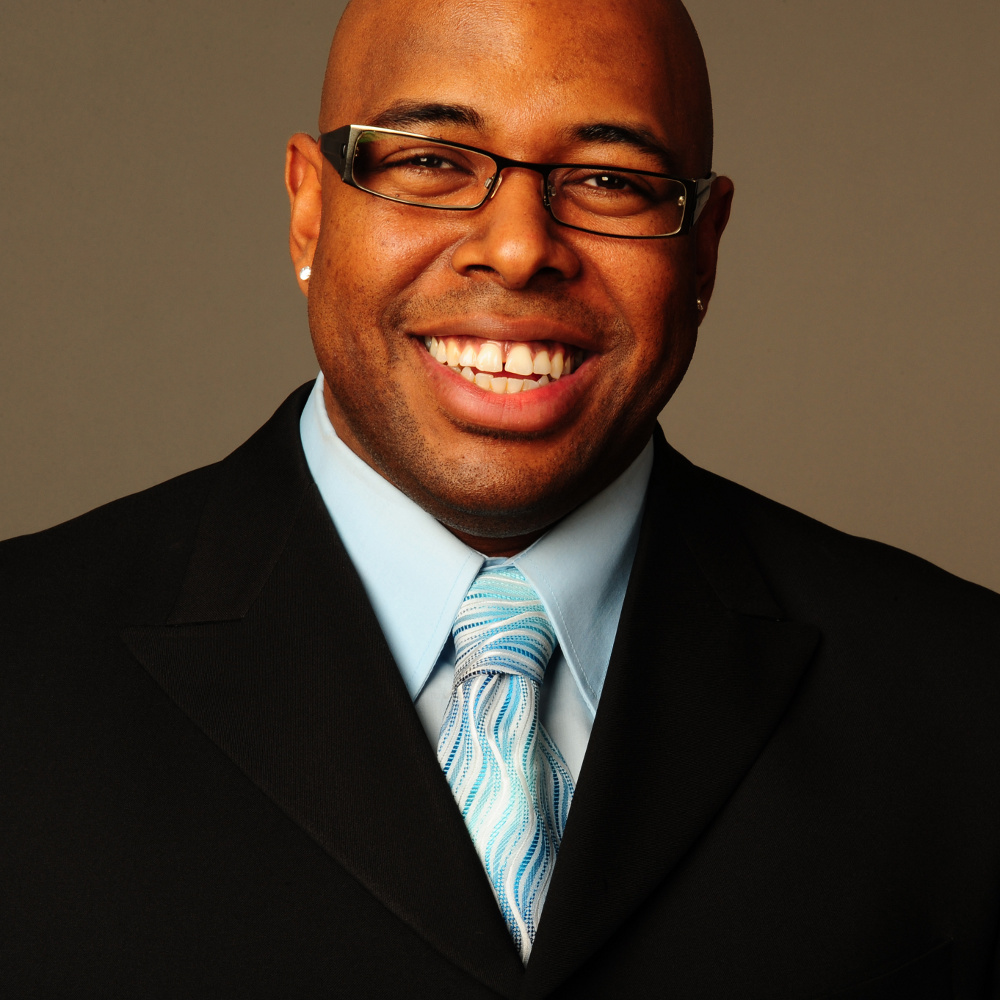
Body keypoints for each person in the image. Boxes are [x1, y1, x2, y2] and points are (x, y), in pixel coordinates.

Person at [2, 0, 998, 996]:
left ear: (703, 249)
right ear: (310, 208)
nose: (519, 248)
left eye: (609, 179)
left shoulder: (963, 697)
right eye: (430, 161)